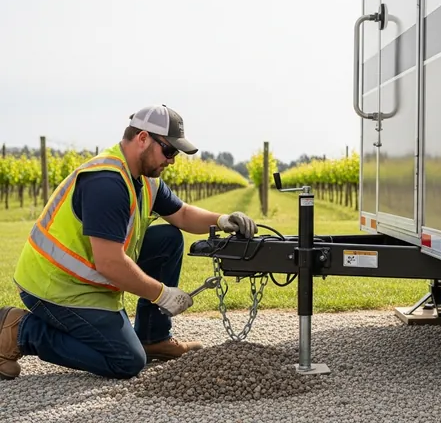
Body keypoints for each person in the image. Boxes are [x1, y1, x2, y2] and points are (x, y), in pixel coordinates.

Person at [0, 104, 258, 380]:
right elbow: (110, 262)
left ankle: (153, 337)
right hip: (56, 286)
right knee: (125, 361)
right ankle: (21, 332)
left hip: (88, 276)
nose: (172, 160)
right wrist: (161, 294)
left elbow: (181, 214)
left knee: (168, 238)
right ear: (143, 138)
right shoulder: (106, 182)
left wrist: (222, 220)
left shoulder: (145, 179)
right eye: (169, 150)